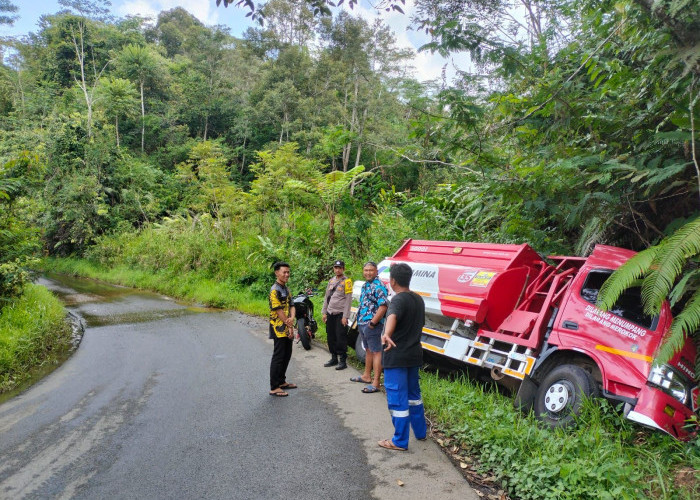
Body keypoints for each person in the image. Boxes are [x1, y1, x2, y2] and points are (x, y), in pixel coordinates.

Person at [378, 262, 427, 451]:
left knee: (398, 399)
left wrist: (386, 334)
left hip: (396, 356)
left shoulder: (398, 299)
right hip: (414, 355)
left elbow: (392, 317)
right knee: (414, 396)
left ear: (393, 280)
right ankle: (420, 433)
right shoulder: (418, 299)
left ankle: (399, 441)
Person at [350, 261, 388, 394]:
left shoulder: (378, 286)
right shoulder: (366, 285)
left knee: (377, 351)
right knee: (368, 350)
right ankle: (366, 376)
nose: (368, 272)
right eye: (365, 270)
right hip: (362, 323)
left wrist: (373, 323)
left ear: (376, 271)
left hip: (373, 325)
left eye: (371, 270)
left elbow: (383, 306)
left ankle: (376, 383)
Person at [268, 261, 296, 397]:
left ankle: (281, 381)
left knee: (287, 354)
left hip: (288, 326)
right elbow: (278, 310)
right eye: (284, 272)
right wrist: (289, 323)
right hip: (278, 328)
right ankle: (274, 387)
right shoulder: (274, 290)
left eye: (288, 272)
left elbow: (292, 304)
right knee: (278, 356)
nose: (287, 274)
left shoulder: (286, 289)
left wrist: (292, 318)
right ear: (276, 273)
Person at [321, 260, 353, 370]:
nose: (337, 269)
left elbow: (349, 300)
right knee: (331, 336)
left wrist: (345, 316)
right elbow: (326, 297)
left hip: (340, 314)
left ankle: (342, 361)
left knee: (341, 337)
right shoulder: (331, 281)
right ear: (334, 269)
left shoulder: (347, 282)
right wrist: (324, 312)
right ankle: (334, 358)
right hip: (330, 313)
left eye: (340, 267)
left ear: (343, 269)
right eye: (336, 267)